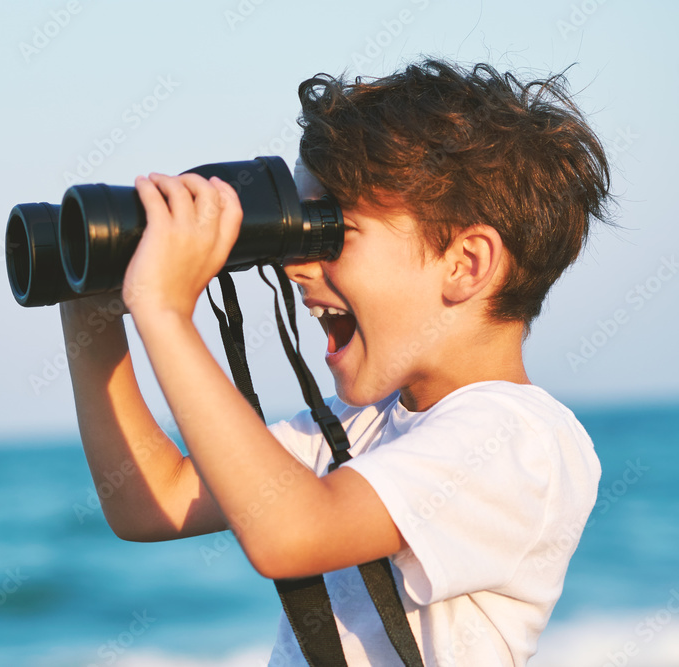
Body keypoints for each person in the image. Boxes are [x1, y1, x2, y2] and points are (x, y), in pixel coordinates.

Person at [58, 59, 612, 665]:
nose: (296, 267)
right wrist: (91, 313)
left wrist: (165, 312)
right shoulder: (364, 425)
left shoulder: (517, 440)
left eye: (331, 234)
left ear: (465, 264)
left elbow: (292, 534)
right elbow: (149, 500)